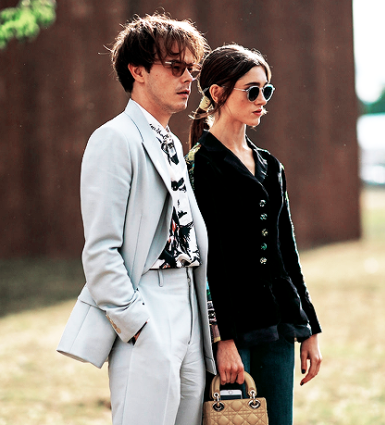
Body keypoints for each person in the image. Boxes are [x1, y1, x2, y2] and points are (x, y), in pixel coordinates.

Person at [59, 14, 215, 425]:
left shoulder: (170, 143)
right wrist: (137, 325)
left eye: (192, 70)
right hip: (147, 302)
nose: (188, 79)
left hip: (189, 304)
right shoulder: (114, 138)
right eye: (176, 67)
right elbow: (100, 249)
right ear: (138, 70)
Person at [186, 44, 322, 425]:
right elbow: (208, 262)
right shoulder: (199, 166)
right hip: (233, 332)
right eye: (252, 90)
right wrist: (222, 341)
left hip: (278, 323)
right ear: (218, 93)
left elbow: (286, 252)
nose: (263, 100)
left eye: (267, 90)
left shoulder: (271, 165)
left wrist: (309, 327)